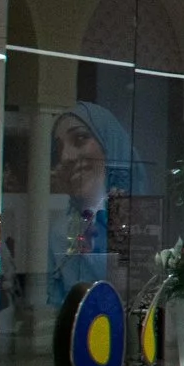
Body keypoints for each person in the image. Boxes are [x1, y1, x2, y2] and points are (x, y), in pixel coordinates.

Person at [47, 100, 132, 306]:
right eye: (59, 149)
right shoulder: (59, 232)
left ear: (108, 144)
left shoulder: (134, 219)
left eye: (80, 139)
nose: (67, 157)